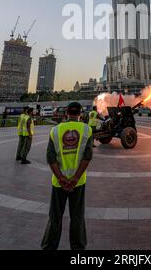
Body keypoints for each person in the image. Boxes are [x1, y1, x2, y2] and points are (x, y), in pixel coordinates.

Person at [41, 102, 93, 250]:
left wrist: (61, 178)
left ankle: (49, 246)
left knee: (54, 217)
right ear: (80, 114)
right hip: (78, 182)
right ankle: (78, 248)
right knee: (77, 218)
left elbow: (50, 157)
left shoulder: (56, 130)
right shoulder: (86, 130)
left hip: (58, 183)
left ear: (66, 113)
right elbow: (87, 157)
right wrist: (75, 178)